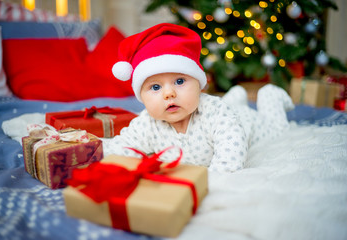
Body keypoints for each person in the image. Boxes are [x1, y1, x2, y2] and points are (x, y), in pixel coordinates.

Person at [101, 23, 294, 173]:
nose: (169, 94)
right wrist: (96, 149)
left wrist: (213, 180)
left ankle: (270, 96)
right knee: (232, 104)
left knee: (277, 129)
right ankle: (236, 97)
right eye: (156, 87)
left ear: (200, 84)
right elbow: (122, 146)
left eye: (179, 81)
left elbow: (230, 158)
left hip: (248, 123)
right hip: (229, 109)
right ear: (141, 97)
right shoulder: (147, 123)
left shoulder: (214, 112)